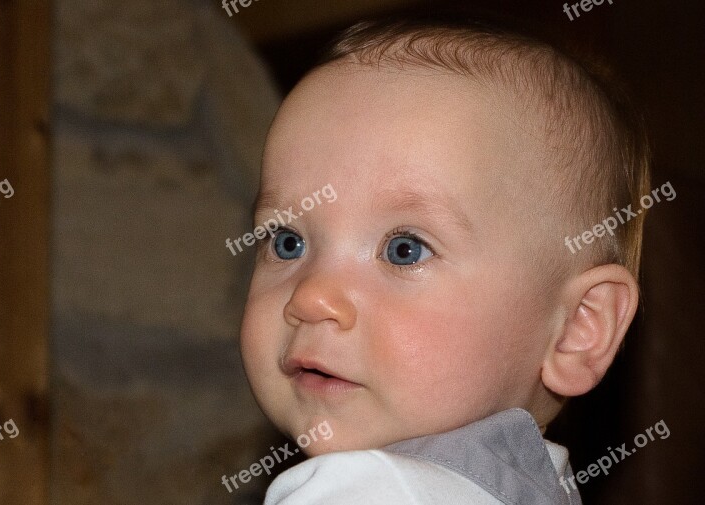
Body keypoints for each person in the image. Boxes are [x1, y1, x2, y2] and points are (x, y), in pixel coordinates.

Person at [239, 15, 650, 504]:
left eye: (403, 250)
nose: (311, 297)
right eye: (288, 241)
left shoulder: (365, 491)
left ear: (578, 326)